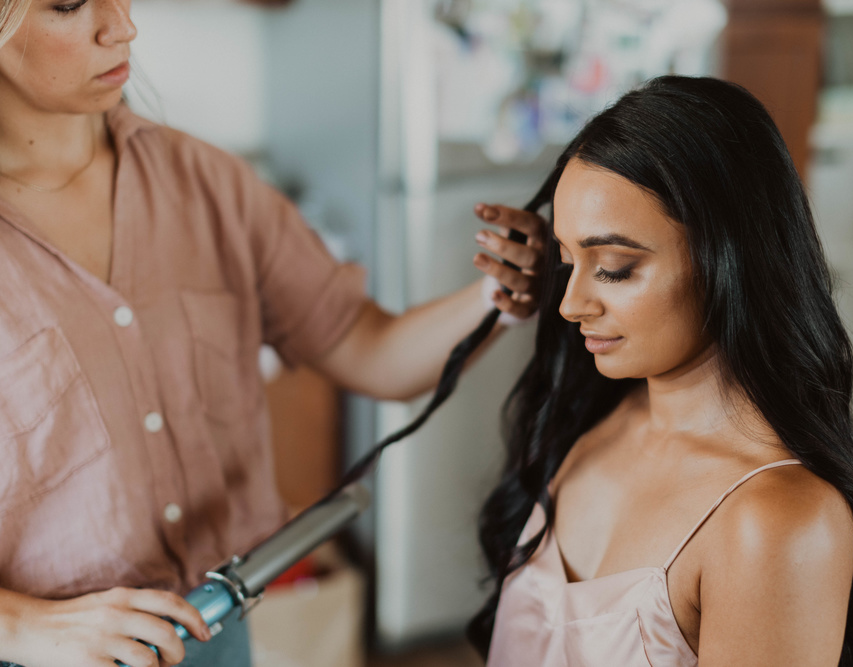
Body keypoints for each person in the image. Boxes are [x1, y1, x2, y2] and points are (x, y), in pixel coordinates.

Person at [0, 1, 545, 666]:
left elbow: (370, 348)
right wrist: (21, 625)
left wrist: (496, 297)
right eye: (66, 4)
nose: (122, 25)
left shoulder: (208, 184)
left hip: (215, 634)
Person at [470, 76, 853, 666]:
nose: (570, 305)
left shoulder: (774, 523)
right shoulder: (590, 421)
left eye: (615, 268)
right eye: (568, 262)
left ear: (730, 259)